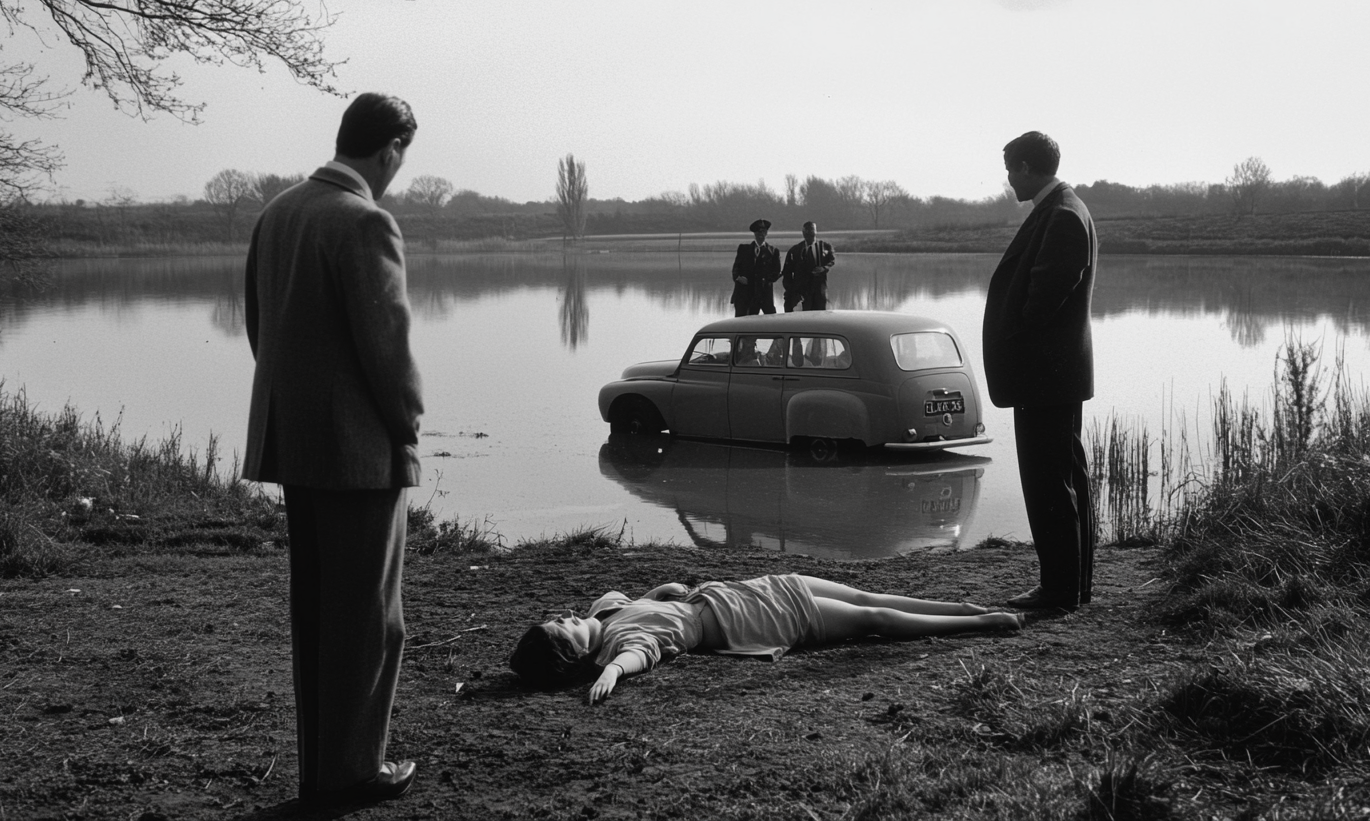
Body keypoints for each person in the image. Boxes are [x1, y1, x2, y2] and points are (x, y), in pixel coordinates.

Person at [243, 93, 424, 804]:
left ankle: (325, 764)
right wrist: (407, 424)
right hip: (357, 451)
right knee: (371, 616)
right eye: (401, 159)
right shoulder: (365, 221)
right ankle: (352, 771)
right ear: (390, 151)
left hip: (298, 443)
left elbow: (261, 330)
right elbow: (389, 351)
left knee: (318, 610)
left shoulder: (278, 212)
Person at [509, 575, 1021, 703]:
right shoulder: (620, 644)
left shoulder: (608, 611)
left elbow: (621, 599)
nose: (566, 614)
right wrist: (610, 674)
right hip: (763, 620)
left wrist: (660, 592)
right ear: (577, 651)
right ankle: (979, 623)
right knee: (876, 618)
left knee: (867, 596)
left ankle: (964, 607)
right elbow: (638, 654)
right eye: (564, 625)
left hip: (750, 590)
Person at [982, 131, 1097, 612]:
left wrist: (1016, 339)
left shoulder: (1063, 215)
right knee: (1064, 478)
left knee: (1049, 482)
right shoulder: (1063, 209)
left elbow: (1045, 297)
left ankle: (1059, 590)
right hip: (1053, 376)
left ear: (1029, 168)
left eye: (1011, 169)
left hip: (1045, 377)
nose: (1009, 179)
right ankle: (1071, 586)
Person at [731, 218, 782, 316]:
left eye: (763, 232)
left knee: (771, 322)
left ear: (766, 233)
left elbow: (776, 272)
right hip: (745, 295)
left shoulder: (773, 251)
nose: (760, 235)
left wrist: (765, 279)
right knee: (742, 324)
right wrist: (738, 278)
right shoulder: (744, 249)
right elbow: (735, 269)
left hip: (764, 295)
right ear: (754, 234)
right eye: (758, 232)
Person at [783, 221, 835, 311]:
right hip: (802, 293)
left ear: (816, 231)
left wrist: (824, 269)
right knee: (804, 319)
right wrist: (791, 292)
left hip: (819, 291)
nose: (809, 234)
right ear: (803, 233)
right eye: (806, 232)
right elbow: (787, 273)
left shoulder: (825, 247)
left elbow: (831, 261)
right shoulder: (795, 250)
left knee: (820, 316)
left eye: (812, 231)